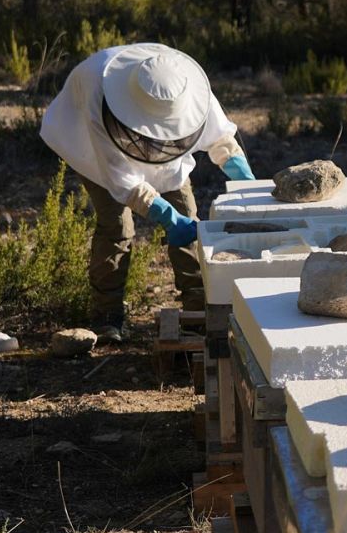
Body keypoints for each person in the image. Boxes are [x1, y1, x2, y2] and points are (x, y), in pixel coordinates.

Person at [41, 43, 254, 342]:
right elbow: (123, 182)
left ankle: (198, 309)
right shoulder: (96, 93)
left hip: (166, 160)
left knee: (190, 216)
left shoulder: (187, 83)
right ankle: (107, 316)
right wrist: (167, 217)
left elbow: (220, 137)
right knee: (117, 226)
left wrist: (246, 182)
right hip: (90, 147)